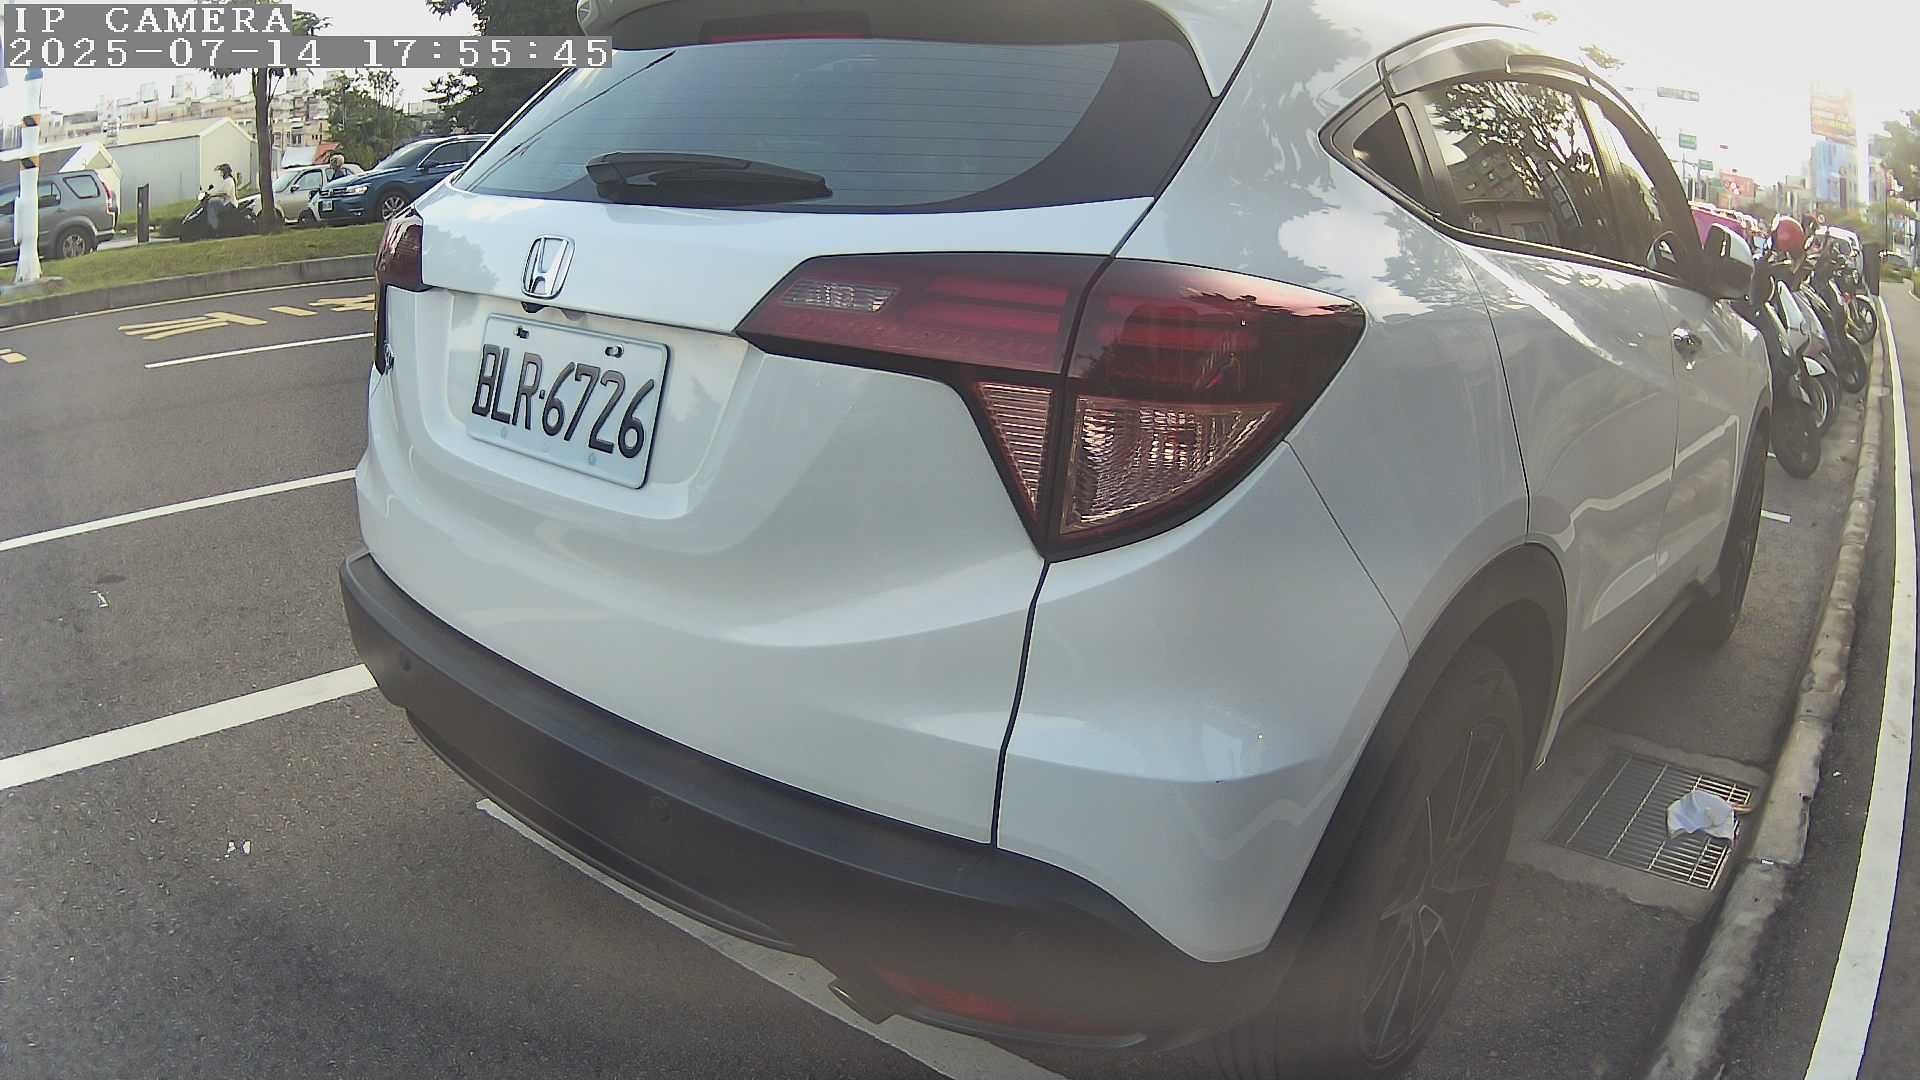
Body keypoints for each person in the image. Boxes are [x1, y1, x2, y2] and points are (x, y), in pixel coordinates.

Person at [206, 163, 237, 233]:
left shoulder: (229, 181)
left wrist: (212, 195)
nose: (221, 173)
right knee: (212, 202)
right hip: (225, 203)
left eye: (222, 171)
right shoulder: (224, 181)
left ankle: (215, 228)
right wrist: (209, 192)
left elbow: (224, 193)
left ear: (226, 172)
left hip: (230, 204)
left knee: (211, 205)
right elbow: (218, 190)